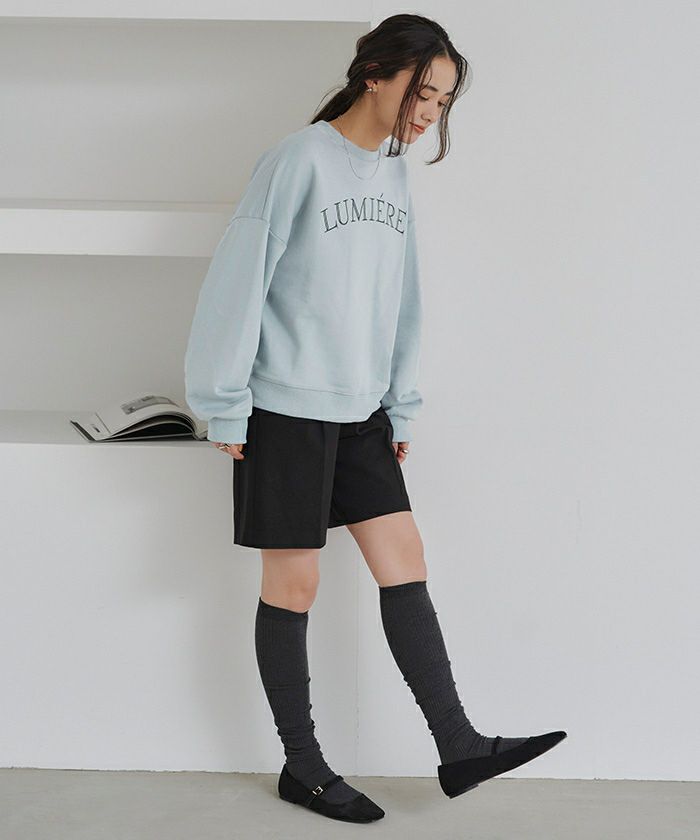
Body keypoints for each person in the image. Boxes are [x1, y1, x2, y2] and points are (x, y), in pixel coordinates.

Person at [184, 13, 566, 825]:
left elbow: (402, 297)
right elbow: (237, 280)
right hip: (283, 408)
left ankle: (459, 745)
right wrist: (223, 404)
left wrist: (400, 400)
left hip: (361, 410)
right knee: (295, 584)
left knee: (405, 559)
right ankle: (303, 766)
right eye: (423, 92)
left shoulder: (392, 174)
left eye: (444, 101)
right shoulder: (297, 160)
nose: (430, 113)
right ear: (374, 75)